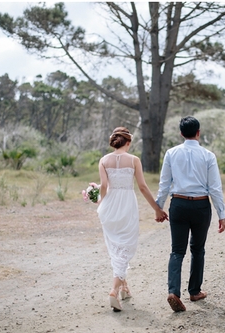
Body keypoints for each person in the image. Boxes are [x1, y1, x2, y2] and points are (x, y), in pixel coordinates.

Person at [155, 116, 225, 313]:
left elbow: (164, 185)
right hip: (201, 206)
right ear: (198, 132)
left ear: (181, 133)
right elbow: (215, 188)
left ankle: (173, 292)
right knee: (198, 249)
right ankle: (194, 291)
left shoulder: (171, 153)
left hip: (178, 203)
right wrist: (222, 214)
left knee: (177, 251)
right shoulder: (208, 156)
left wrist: (158, 208)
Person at [96, 126, 167, 311]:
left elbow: (104, 186)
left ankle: (124, 288)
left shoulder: (103, 160)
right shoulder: (134, 160)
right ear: (128, 142)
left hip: (110, 205)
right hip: (127, 204)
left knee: (117, 247)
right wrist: (157, 209)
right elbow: (142, 187)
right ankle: (113, 291)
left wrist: (100, 201)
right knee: (125, 246)